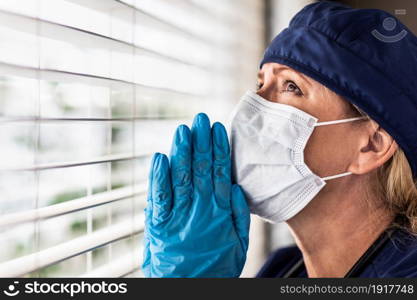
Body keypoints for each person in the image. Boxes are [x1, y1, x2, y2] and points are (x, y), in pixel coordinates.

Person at [142, 1, 417, 277]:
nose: (251, 106)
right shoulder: (283, 269)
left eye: (291, 87)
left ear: (371, 145)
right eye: (261, 84)